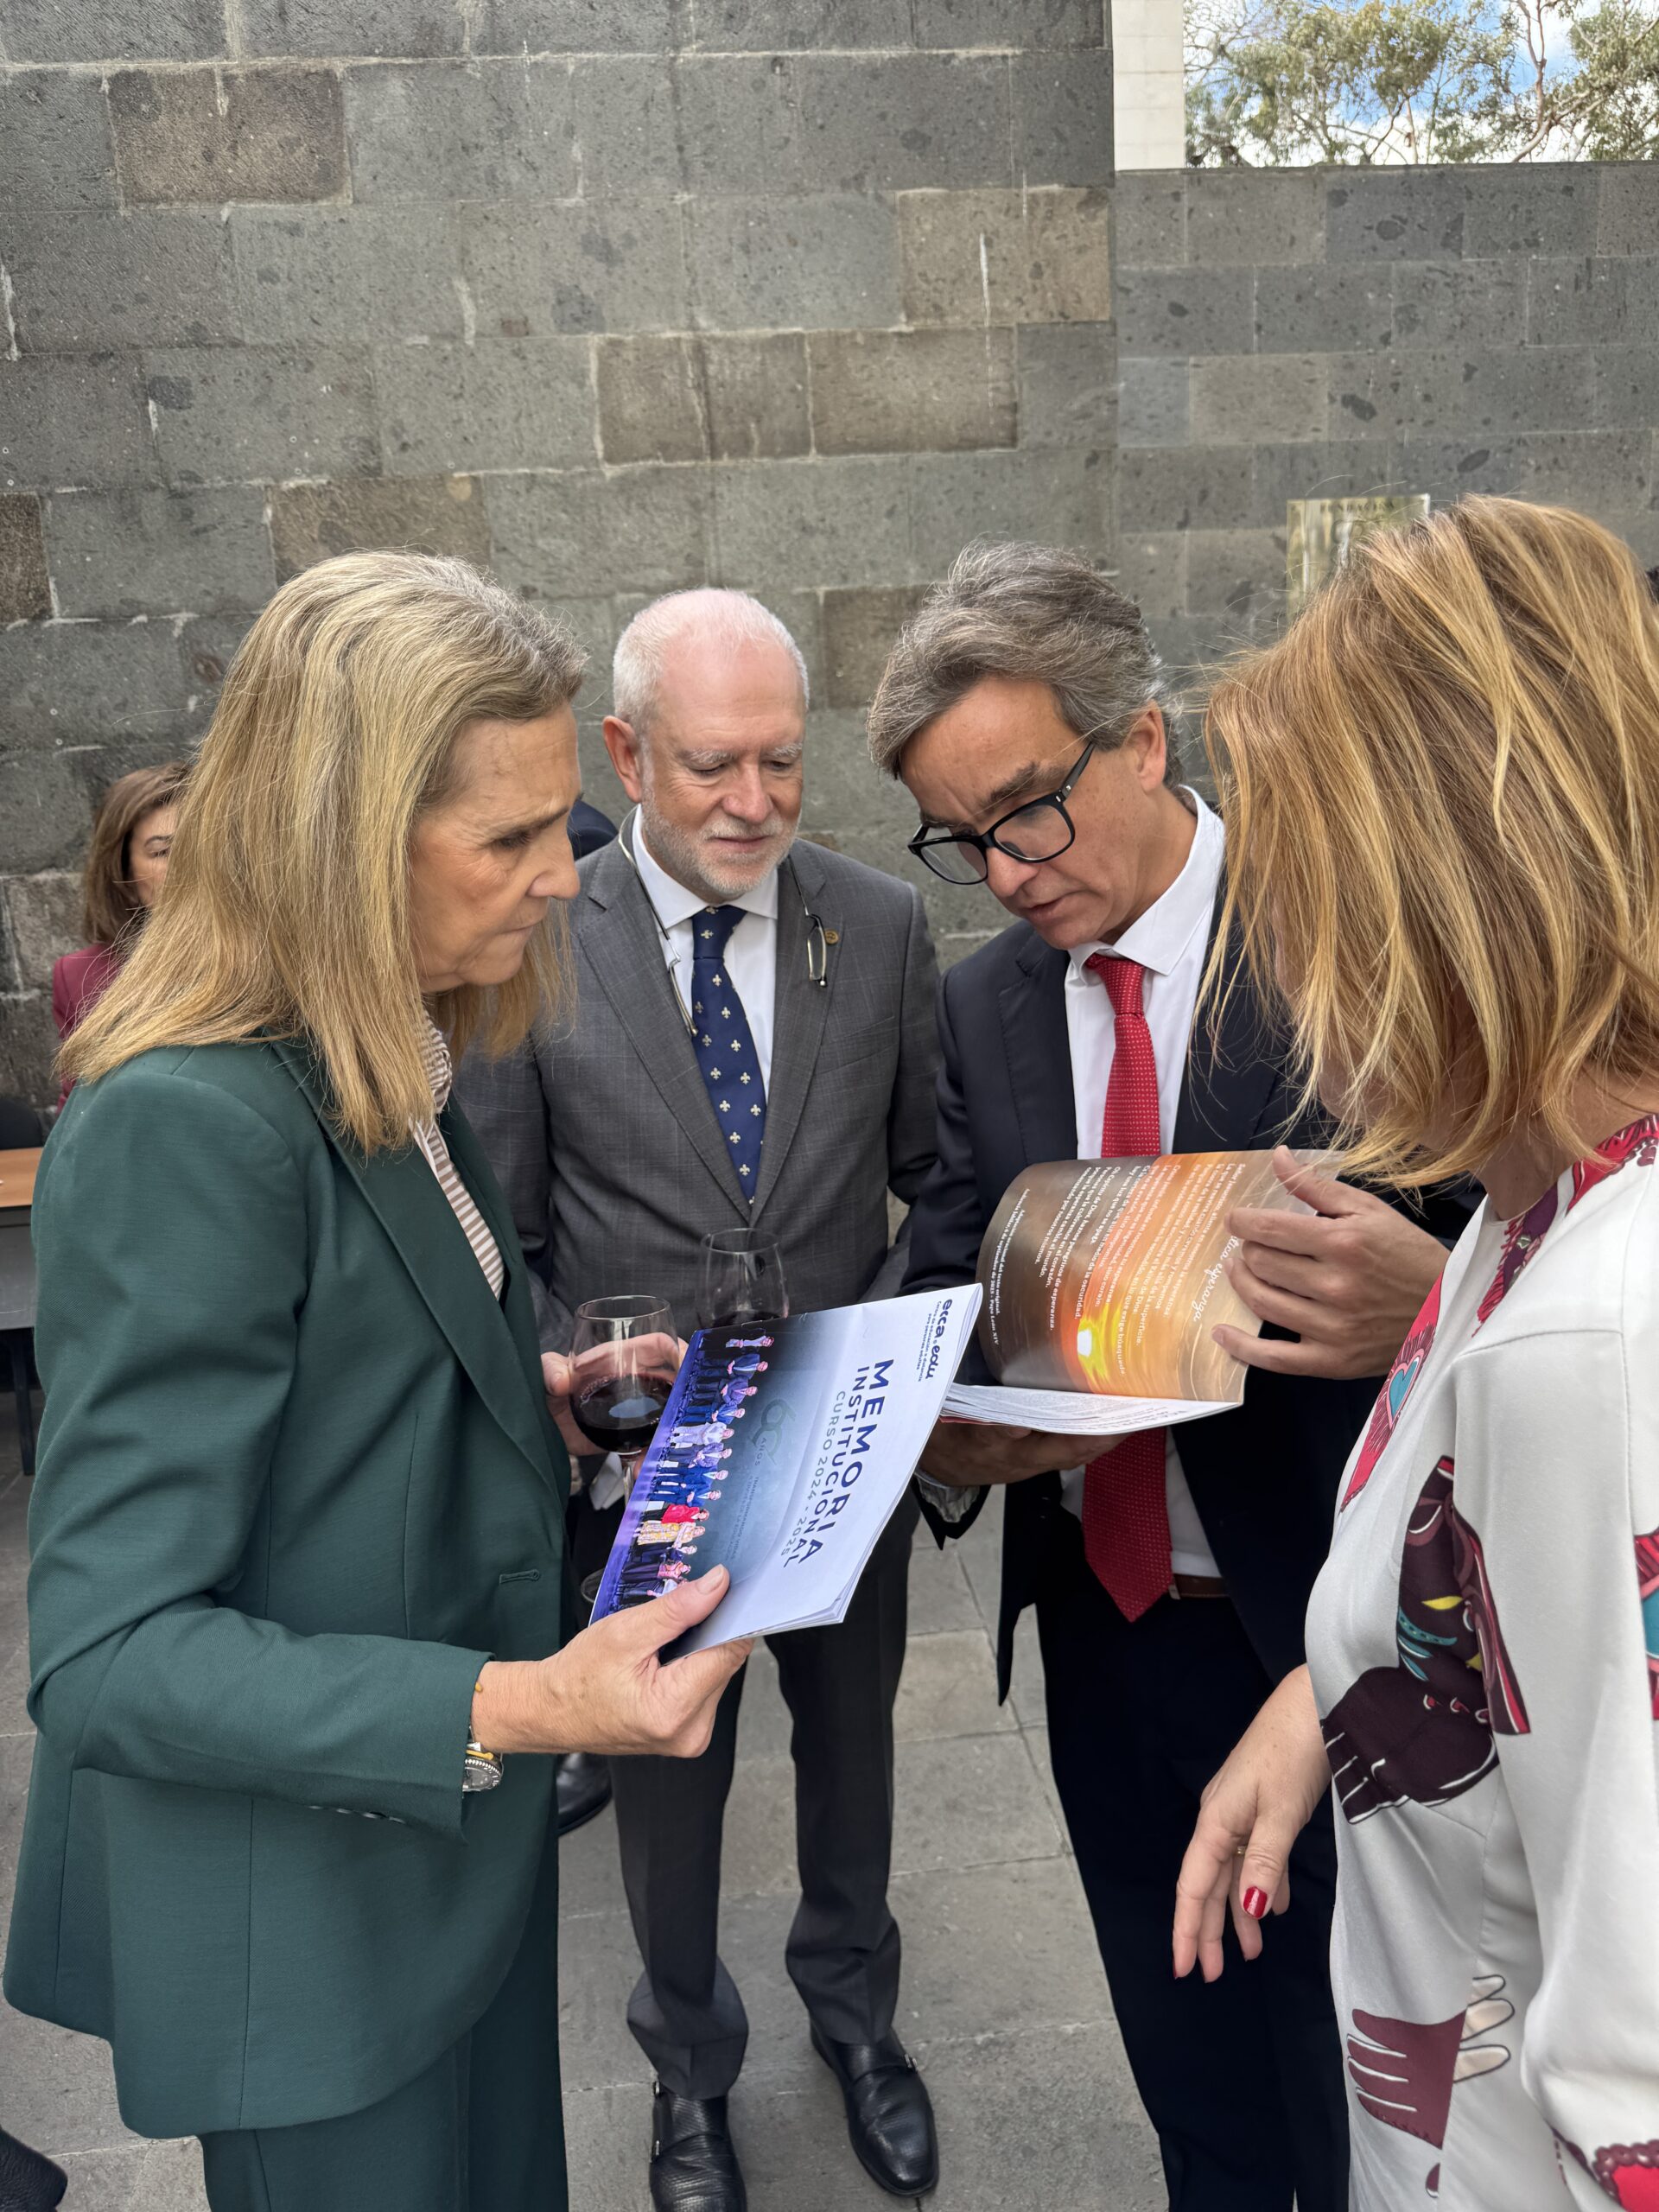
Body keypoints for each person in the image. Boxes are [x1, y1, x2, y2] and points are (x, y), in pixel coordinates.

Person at [4, 554, 750, 2212]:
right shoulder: (184, 1122)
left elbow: (336, 1387)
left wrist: (520, 1394)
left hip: (436, 1875)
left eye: (561, 824)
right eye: (508, 838)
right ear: (341, 842)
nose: (562, 876)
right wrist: (532, 1708)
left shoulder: (391, 1042)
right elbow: (110, 1658)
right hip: (311, 1933)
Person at [872, 541, 1475, 2212]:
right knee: (1188, 2065)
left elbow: (1535, 1245)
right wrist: (945, 1424)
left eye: (1027, 811)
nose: (1004, 874)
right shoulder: (986, 1006)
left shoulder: (1353, 929)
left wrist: (1431, 1303)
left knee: (1362, 2087)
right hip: (1107, 1628)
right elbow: (945, 1280)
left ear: (1143, 737)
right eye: (960, 838)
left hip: (1339, 1630)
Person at [1173, 499, 1659, 2212]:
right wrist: (1322, 1701)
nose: (1275, 973)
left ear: (1432, 902)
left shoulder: (1590, 1342)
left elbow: (1636, 2078)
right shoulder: (1519, 1223)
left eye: (1291, 901)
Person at [455, 587, 942, 2212]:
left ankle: (857, 2022)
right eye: (713, 763)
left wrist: (884, 1363)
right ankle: (688, 2072)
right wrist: (579, 1374)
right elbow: (503, 1232)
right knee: (666, 1800)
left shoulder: (878, 924)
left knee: (855, 1761)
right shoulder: (539, 938)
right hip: (651, 1480)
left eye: (781, 761)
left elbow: (935, 1182)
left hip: (845, 1463)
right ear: (626, 753)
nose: (753, 800)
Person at [51, 760, 190, 1103]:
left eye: (199, 843)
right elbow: (80, 1113)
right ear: (124, 875)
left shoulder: (270, 950)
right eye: (163, 851)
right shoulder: (81, 977)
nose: (189, 863)